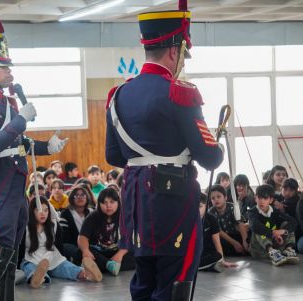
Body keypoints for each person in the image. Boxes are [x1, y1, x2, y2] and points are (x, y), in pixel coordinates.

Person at [105, 2, 224, 299]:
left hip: (135, 201)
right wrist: (217, 142)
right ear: (176, 50)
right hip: (173, 202)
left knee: (143, 283)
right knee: (175, 283)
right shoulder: (179, 92)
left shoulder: (118, 95)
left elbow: (114, 156)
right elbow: (210, 158)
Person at [0, 19, 68, 301]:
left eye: (9, 66)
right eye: (3, 66)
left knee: (9, 259)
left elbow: (18, 144)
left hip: (15, 189)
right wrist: (22, 119)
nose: (9, 71)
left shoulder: (6, 103)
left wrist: (48, 146)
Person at [20, 197, 100, 288]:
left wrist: (63, 259)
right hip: (32, 259)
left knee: (68, 268)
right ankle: (38, 277)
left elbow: (59, 244)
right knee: (28, 267)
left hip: (52, 258)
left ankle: (86, 273)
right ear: (32, 211)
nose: (43, 214)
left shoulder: (53, 225)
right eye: (39, 210)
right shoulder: (25, 227)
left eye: (46, 210)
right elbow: (21, 247)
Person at [78, 188, 135, 277]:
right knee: (82, 252)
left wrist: (119, 255)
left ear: (118, 203)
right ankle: (110, 265)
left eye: (112, 202)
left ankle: (103, 267)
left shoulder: (124, 217)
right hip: (99, 252)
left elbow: (130, 238)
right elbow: (82, 237)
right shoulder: (92, 217)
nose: (108, 206)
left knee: (135, 254)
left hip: (118, 251)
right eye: (104, 203)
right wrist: (85, 250)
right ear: (99, 204)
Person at [248, 184, 299, 266]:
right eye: (259, 198)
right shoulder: (252, 212)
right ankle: (272, 252)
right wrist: (272, 233)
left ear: (271, 200)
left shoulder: (275, 211)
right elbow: (254, 225)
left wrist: (282, 232)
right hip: (259, 250)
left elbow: (293, 221)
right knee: (257, 229)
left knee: (287, 225)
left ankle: (288, 250)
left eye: (265, 198)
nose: (262, 201)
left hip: (277, 247)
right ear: (255, 198)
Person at [198, 194, 237, 272]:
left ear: (206, 206)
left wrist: (222, 261)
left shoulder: (211, 219)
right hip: (192, 253)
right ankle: (205, 267)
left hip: (206, 252)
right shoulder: (187, 220)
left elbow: (216, 241)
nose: (196, 210)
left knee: (218, 256)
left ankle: (202, 266)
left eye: (200, 206)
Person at [209, 185, 249, 256]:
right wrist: (234, 243)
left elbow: (240, 223)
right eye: (213, 198)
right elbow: (218, 231)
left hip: (236, 234)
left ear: (225, 197)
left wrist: (244, 241)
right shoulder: (211, 212)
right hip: (223, 238)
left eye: (218, 197)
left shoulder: (232, 207)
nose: (216, 200)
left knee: (248, 239)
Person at [59, 185, 93, 263]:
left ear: (87, 197)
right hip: (73, 246)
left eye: (82, 195)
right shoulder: (65, 213)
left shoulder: (92, 212)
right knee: (68, 247)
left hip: (90, 246)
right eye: (76, 195)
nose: (79, 197)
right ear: (71, 198)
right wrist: (82, 245)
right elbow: (65, 237)